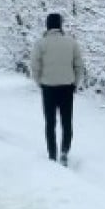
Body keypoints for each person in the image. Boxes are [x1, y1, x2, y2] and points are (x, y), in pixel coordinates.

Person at [30, 13, 86, 165]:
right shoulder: (71, 43)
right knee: (67, 121)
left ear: (47, 25)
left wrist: (39, 82)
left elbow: (35, 66)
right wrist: (75, 83)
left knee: (50, 122)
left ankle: (52, 154)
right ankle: (64, 151)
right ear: (60, 25)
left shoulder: (40, 44)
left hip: (48, 87)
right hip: (67, 87)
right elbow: (79, 66)